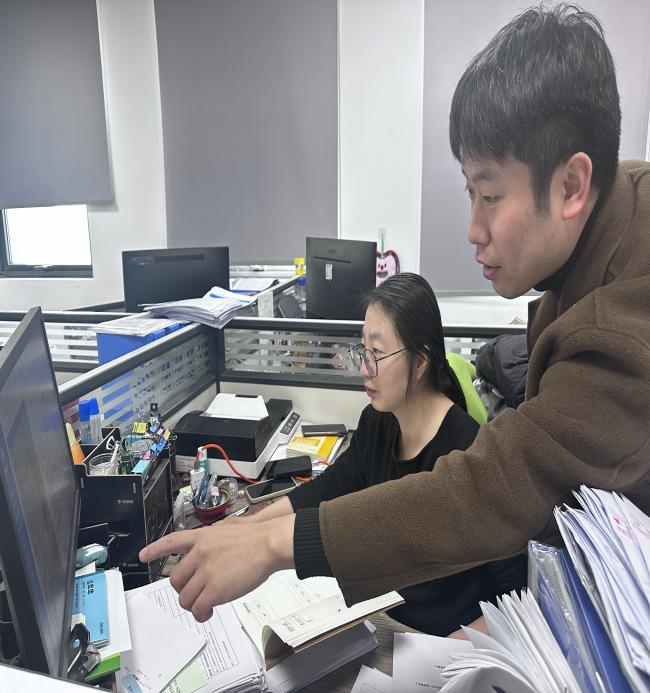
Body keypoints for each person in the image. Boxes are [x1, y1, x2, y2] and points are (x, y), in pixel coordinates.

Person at [140, 4, 650, 625]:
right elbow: (335, 488)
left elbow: (497, 491)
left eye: (491, 196)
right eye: (470, 193)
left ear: (571, 186)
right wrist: (253, 529)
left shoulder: (623, 324)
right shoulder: (613, 210)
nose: (473, 230)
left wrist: (275, 546)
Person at [234, 272, 526, 635]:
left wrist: (456, 646)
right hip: (381, 619)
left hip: (441, 645)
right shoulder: (378, 422)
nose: (363, 368)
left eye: (376, 353)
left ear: (420, 362)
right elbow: (326, 489)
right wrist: (245, 529)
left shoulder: (470, 455)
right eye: (362, 350)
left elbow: (518, 592)